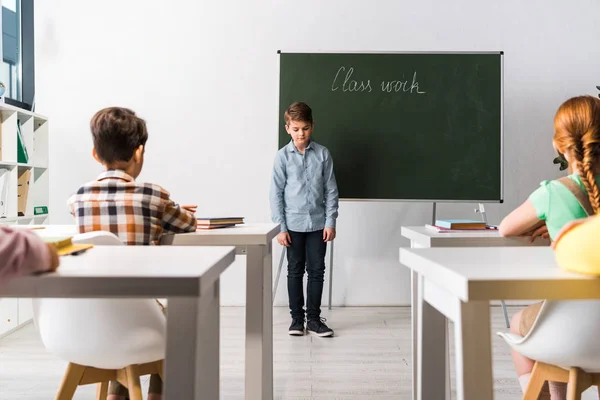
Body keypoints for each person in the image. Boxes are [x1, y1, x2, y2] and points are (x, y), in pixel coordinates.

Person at [68, 107, 198, 400]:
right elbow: (188, 225)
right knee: (167, 318)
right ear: (138, 153)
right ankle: (156, 394)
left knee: (121, 316)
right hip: (141, 320)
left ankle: (117, 393)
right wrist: (171, 209)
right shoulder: (153, 195)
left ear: (94, 154)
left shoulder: (78, 199)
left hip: (90, 320)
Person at [499, 95, 600, 399]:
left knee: (520, 324)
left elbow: (506, 228)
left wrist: (549, 220)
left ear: (558, 145)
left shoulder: (554, 194)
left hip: (570, 334)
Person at [270, 102, 339, 337]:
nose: (301, 134)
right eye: (296, 129)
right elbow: (276, 193)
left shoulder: (323, 154)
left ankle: (314, 319)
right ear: (287, 128)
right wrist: (281, 227)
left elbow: (331, 191)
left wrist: (331, 222)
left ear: (312, 126)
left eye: (306, 128)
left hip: (318, 225)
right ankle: (296, 320)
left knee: (317, 270)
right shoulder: (282, 157)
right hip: (292, 225)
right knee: (295, 270)